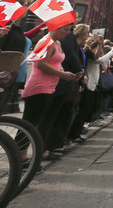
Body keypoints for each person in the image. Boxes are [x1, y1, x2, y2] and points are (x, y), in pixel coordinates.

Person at [20, 22, 80, 160]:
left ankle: (34, 153)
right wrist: (62, 75)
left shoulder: (57, 42)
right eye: (65, 29)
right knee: (29, 123)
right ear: (55, 27)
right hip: (39, 87)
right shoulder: (46, 41)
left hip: (49, 87)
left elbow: (55, 63)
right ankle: (21, 157)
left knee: (39, 121)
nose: (67, 33)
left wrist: (64, 71)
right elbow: (40, 64)